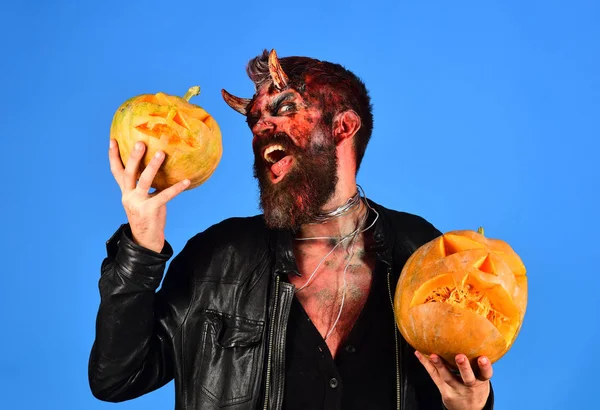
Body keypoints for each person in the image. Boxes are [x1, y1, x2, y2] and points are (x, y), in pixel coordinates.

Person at [89, 49, 494, 410]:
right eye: (255, 120)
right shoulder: (218, 257)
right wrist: (141, 247)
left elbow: (458, 372)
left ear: (344, 126)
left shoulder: (420, 250)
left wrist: (471, 407)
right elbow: (118, 378)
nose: (262, 127)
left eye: (283, 108)